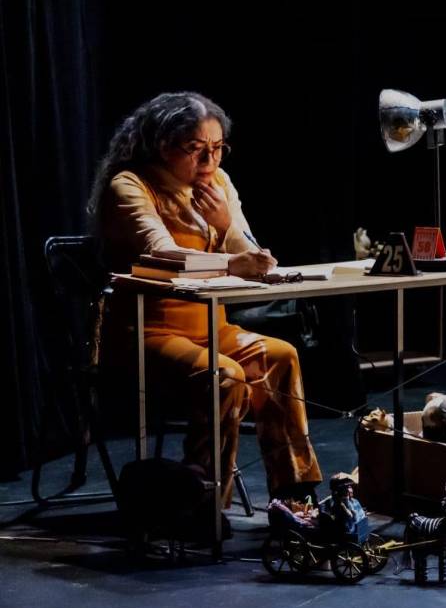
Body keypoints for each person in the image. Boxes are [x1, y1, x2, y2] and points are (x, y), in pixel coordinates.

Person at [89, 91, 322, 508]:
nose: (209, 160)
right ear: (163, 146)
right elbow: (162, 252)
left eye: (217, 148)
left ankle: (294, 497)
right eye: (196, 148)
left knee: (280, 355)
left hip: (211, 328)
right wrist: (232, 262)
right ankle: (204, 504)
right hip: (145, 335)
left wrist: (226, 224)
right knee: (224, 374)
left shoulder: (219, 184)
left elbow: (254, 257)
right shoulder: (131, 186)